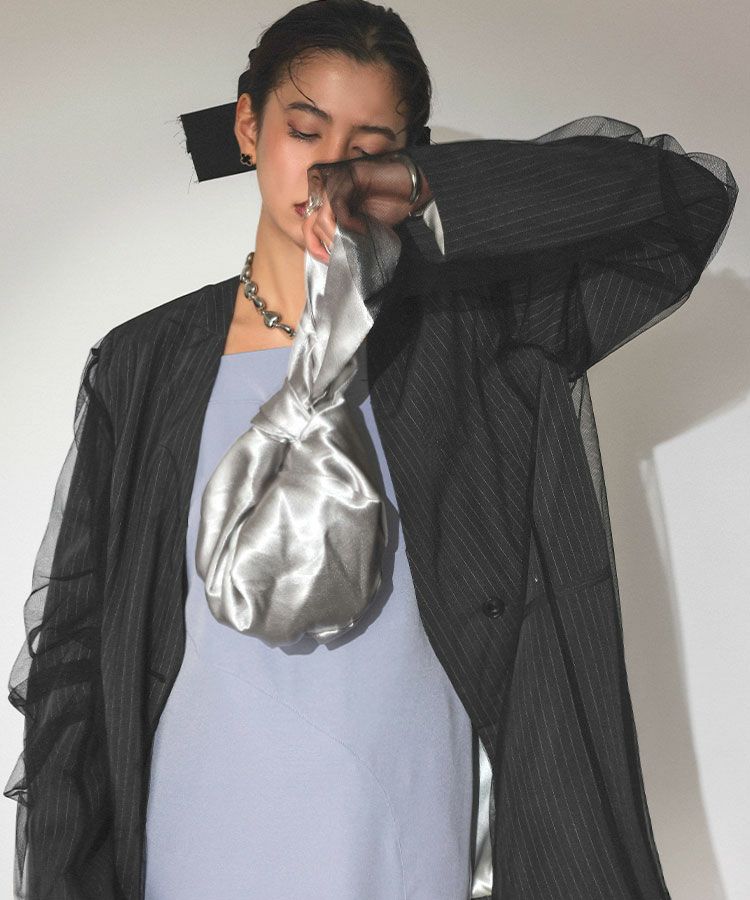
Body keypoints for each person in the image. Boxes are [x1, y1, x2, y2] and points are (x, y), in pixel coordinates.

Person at [4, 1, 738, 898]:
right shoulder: (145, 361)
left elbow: (685, 200)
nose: (327, 168)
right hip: (196, 835)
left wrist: (422, 190)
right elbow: (75, 645)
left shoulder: (478, 337)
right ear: (249, 126)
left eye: (367, 147)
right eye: (304, 129)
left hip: (407, 837)